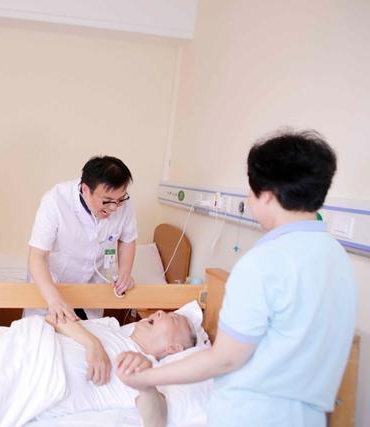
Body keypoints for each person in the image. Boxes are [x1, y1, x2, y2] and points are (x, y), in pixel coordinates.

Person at [116, 130, 358, 427]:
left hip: (252, 415)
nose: (249, 199)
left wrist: (147, 377)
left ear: (267, 194)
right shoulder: (338, 259)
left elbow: (226, 358)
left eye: (251, 190)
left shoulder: (264, 262)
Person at [26, 156, 138, 322]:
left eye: (119, 201)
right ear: (85, 189)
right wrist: (53, 298)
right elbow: (37, 256)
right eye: (107, 201)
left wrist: (124, 273)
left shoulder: (122, 202)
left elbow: (128, 240)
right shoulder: (55, 200)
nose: (114, 208)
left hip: (91, 289)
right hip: (52, 285)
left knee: (90, 333)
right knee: (46, 333)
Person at [41, 308, 196, 426]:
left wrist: (146, 385)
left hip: (40, 379)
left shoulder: (149, 371)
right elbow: (54, 318)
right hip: (34, 340)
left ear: (174, 348)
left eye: (173, 319)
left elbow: (156, 422)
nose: (160, 311)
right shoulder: (110, 326)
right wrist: (93, 344)